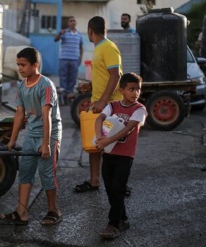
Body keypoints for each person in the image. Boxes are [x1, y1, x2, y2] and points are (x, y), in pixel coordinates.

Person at [0, 47, 62, 226]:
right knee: (25, 172)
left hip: (49, 133)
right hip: (31, 134)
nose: (20, 68)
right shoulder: (22, 85)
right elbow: (19, 114)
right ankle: (21, 213)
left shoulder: (46, 85)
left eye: (23, 65)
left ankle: (53, 210)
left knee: (46, 173)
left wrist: (46, 144)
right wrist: (12, 140)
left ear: (35, 65)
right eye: (18, 65)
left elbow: (47, 115)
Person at [94, 72, 147, 239]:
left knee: (118, 187)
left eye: (138, 89)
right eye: (131, 89)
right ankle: (122, 219)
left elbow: (129, 128)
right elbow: (99, 119)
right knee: (110, 187)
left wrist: (108, 139)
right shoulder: (113, 105)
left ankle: (113, 224)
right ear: (122, 90)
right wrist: (99, 137)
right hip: (108, 152)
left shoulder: (139, 109)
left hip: (125, 155)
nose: (135, 93)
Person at [74, 16, 124, 194]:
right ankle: (94, 180)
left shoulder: (108, 47)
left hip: (111, 105)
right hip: (98, 103)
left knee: (112, 146)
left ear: (89, 30)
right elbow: (104, 75)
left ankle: (119, 185)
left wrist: (103, 101)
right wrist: (90, 86)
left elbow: (115, 76)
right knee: (95, 143)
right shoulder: (98, 48)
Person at [54, 16, 83, 101]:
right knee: (63, 78)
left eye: (74, 21)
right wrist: (60, 34)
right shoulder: (64, 32)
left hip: (74, 60)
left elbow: (81, 47)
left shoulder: (79, 34)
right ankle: (62, 97)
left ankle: (69, 97)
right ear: (68, 23)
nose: (73, 22)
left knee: (72, 79)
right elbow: (55, 40)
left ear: (76, 23)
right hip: (64, 59)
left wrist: (80, 58)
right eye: (71, 21)